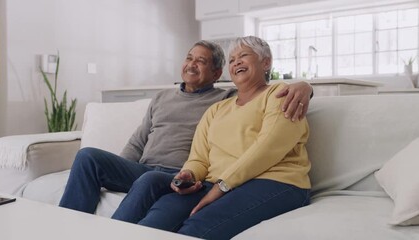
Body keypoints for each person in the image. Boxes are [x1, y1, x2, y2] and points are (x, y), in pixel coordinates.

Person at [59, 40, 313, 217]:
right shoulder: (161, 98)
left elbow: (259, 90)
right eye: (189, 58)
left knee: (149, 180)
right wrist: (119, 173)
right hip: (141, 170)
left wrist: (305, 86)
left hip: (178, 174)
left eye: (201, 61)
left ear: (216, 73)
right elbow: (137, 143)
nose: (191, 64)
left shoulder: (226, 98)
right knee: (87, 156)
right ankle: (67, 226)